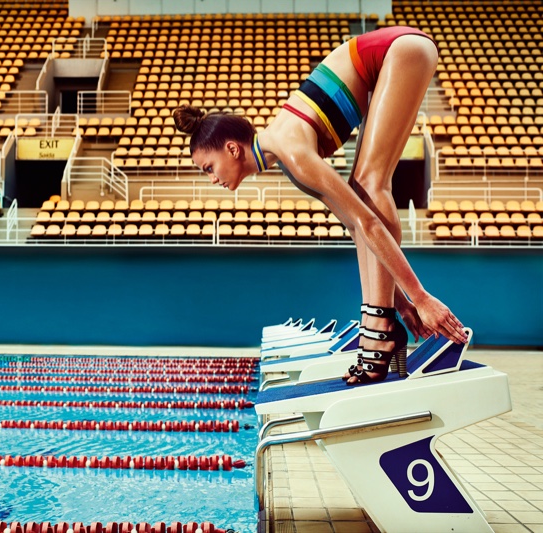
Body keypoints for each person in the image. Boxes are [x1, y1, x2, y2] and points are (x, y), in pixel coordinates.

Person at [173, 26, 468, 385]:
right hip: (385, 59)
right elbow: (357, 226)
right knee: (363, 192)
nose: (212, 179)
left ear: (232, 149)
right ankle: (381, 326)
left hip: (399, 50)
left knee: (370, 186)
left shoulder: (292, 152)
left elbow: (370, 223)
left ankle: (377, 331)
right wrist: (400, 304)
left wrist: (419, 296)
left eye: (209, 168)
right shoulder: (285, 157)